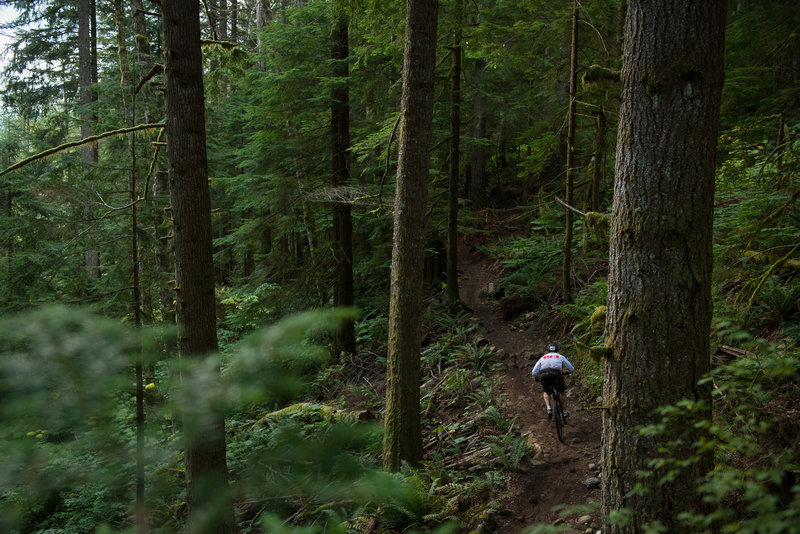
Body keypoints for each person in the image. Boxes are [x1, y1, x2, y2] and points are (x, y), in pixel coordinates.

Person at [532, 343, 574, 420]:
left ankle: (548, 408)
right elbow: (571, 368)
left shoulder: (543, 358)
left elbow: (534, 372)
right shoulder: (560, 356)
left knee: (546, 392)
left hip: (544, 376)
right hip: (557, 375)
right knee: (562, 392)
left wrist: (536, 377)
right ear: (556, 350)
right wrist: (567, 372)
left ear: (547, 351)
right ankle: (564, 413)